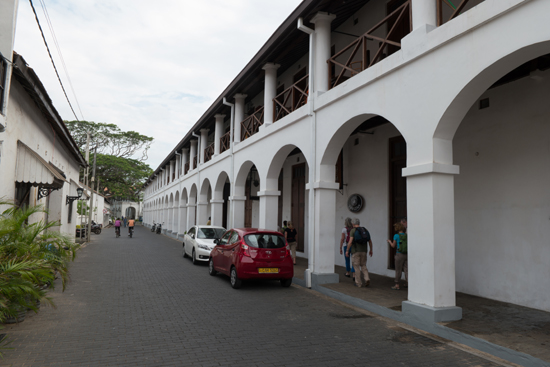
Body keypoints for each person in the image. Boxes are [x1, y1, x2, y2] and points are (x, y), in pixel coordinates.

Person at [345, 218, 373, 288]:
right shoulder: (365, 230)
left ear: (353, 224)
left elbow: (350, 242)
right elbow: (370, 241)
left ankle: (358, 283)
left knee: (356, 267)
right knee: (363, 265)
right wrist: (371, 250)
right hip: (364, 251)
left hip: (356, 251)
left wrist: (347, 250)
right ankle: (367, 279)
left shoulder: (353, 230)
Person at [387, 222, 408, 290]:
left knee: (398, 270)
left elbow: (393, 245)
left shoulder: (396, 236)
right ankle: (408, 283)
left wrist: (389, 241)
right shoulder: (406, 235)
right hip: (406, 254)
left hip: (399, 254)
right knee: (406, 270)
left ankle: (397, 284)